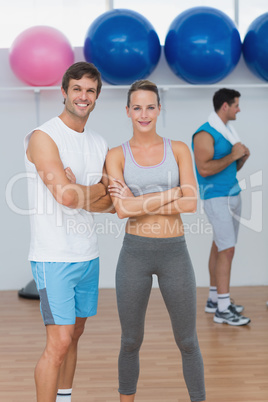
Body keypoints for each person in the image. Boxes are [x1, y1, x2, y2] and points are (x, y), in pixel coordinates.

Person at [105, 80, 206, 402]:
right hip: (134, 254)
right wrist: (171, 193)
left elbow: (191, 204)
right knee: (130, 340)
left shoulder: (178, 149)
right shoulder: (115, 155)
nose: (144, 114)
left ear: (159, 109)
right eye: (137, 107)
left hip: (174, 252)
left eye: (150, 107)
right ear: (127, 111)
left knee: (188, 340)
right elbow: (121, 210)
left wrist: (139, 202)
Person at [24, 61, 114, 402]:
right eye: (77, 88)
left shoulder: (99, 142)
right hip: (54, 257)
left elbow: (113, 204)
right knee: (58, 342)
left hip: (88, 254)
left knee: (74, 335)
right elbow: (63, 195)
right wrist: (87, 191)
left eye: (90, 90)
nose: (83, 96)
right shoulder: (43, 136)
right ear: (64, 92)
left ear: (96, 97)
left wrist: (79, 192)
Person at [192, 88, 251, 326]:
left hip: (231, 193)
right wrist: (233, 154)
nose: (239, 109)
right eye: (236, 105)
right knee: (227, 249)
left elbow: (226, 170)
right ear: (225, 106)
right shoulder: (204, 134)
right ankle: (223, 309)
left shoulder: (226, 132)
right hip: (216, 198)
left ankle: (215, 299)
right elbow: (205, 170)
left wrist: (241, 159)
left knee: (220, 246)